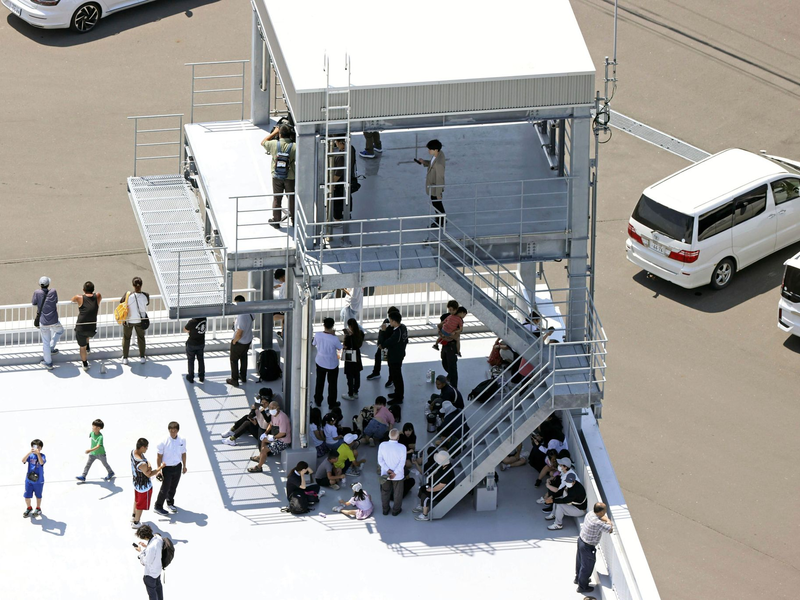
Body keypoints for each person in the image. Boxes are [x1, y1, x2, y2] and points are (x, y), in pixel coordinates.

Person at [262, 124, 297, 227]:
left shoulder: (273, 144)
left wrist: (274, 132)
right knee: (291, 198)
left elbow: (263, 142)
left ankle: (276, 221)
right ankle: (294, 220)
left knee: (277, 198)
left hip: (277, 176)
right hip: (290, 176)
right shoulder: (294, 146)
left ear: (280, 134)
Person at [576, 502, 614, 594]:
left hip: (581, 541)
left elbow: (602, 517)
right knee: (587, 566)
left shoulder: (590, 514)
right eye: (604, 510)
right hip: (588, 547)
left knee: (580, 562)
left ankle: (578, 579)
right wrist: (609, 521)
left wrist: (605, 519)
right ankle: (582, 587)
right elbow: (610, 529)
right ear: (601, 512)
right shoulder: (597, 523)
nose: (605, 512)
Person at [154, 422, 187, 516]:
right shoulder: (163, 441)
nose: (173, 433)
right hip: (166, 468)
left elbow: (183, 453)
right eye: (171, 431)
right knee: (165, 488)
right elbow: (159, 457)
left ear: (177, 431)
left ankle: (170, 502)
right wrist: (159, 470)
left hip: (177, 466)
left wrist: (184, 466)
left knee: (173, 487)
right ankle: (158, 506)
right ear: (169, 430)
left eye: (175, 431)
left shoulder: (182, 440)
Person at [248, 401, 291, 472]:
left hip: (283, 441)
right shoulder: (273, 415)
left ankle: (259, 467)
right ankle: (260, 456)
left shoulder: (282, 417)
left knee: (264, 449)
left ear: (278, 408)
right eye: (270, 408)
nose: (271, 409)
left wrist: (273, 438)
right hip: (276, 437)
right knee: (264, 440)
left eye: (273, 408)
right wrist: (265, 433)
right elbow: (270, 424)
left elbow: (283, 433)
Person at [413, 450, 455, 521]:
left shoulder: (448, 471)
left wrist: (431, 489)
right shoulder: (443, 465)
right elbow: (437, 471)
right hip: (436, 484)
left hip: (443, 490)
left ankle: (424, 515)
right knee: (422, 488)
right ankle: (422, 505)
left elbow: (442, 486)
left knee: (426, 496)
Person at [32, 276, 63, 370]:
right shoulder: (53, 291)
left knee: (45, 342)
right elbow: (56, 301)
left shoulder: (37, 292)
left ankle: (48, 362)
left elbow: (34, 303)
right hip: (54, 320)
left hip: (44, 321)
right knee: (60, 331)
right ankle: (51, 347)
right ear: (48, 284)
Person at [131, 438, 162, 529]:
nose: (147, 449)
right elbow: (149, 474)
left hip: (136, 484)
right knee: (140, 505)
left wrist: (148, 465)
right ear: (142, 447)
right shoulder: (142, 463)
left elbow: (147, 463)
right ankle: (136, 523)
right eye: (146, 447)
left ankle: (134, 516)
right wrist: (160, 468)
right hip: (144, 487)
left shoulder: (133, 452)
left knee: (136, 500)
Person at [313, 317, 343, 409]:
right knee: (332, 384)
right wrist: (333, 335)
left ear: (324, 325)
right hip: (332, 364)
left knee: (319, 382)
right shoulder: (334, 339)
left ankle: (318, 400)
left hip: (320, 361)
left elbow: (313, 343)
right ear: (333, 326)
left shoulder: (318, 335)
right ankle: (332, 403)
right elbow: (340, 348)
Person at [414, 139, 446, 227]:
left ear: (436, 150)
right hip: (434, 186)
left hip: (435, 187)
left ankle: (441, 221)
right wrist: (424, 162)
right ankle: (441, 219)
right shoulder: (438, 155)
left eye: (430, 149)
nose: (429, 151)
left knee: (437, 204)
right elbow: (432, 165)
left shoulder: (439, 164)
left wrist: (439, 192)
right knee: (436, 203)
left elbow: (439, 177)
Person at [72, 281, 101, 371]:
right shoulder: (98, 296)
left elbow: (72, 300)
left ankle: (85, 363)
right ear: (93, 290)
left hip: (81, 326)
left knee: (82, 347)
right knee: (87, 335)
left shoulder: (79, 297)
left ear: (83, 290)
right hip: (92, 327)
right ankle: (88, 346)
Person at [121, 276, 150, 365]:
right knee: (141, 338)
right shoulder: (146, 295)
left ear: (133, 285)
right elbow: (147, 303)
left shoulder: (128, 295)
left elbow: (121, 302)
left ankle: (125, 358)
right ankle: (142, 357)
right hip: (140, 321)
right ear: (141, 285)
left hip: (129, 320)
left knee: (126, 338)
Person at [226, 295, 254, 387]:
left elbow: (239, 332)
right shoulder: (249, 310)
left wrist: (234, 341)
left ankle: (234, 380)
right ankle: (243, 376)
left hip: (240, 342)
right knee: (243, 357)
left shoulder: (242, 315)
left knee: (233, 360)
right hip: (248, 339)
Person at [378, 428, 407, 516]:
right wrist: (394, 473)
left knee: (385, 492)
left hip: (385, 474)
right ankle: (396, 510)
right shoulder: (402, 447)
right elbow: (402, 463)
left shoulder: (382, 445)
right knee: (398, 493)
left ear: (389, 436)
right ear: (398, 437)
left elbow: (380, 460)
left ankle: (385, 509)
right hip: (398, 476)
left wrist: (388, 470)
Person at [366, 306, 398, 386]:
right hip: (383, 345)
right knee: (378, 356)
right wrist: (380, 344)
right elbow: (381, 333)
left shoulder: (397, 326)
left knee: (390, 363)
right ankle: (376, 372)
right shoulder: (386, 322)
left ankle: (392, 379)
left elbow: (392, 337)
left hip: (390, 346)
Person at [382, 311, 408, 406]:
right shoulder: (403, 327)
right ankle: (397, 393)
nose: (390, 322)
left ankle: (399, 397)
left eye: (390, 320)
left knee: (397, 377)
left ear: (393, 321)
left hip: (395, 357)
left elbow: (387, 342)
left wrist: (383, 331)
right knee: (396, 376)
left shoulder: (397, 333)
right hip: (399, 355)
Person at [135, 524, 164, 600]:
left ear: (144, 537)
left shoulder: (150, 548)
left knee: (152, 595)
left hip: (150, 574)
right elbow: (155, 550)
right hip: (158, 570)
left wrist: (140, 551)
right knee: (159, 590)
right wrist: (146, 546)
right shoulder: (158, 538)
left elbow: (146, 561)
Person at [438, 301, 460, 389]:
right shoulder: (447, 320)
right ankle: (450, 376)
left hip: (451, 345)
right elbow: (440, 329)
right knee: (444, 361)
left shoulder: (456, 322)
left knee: (452, 366)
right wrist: (441, 333)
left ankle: (454, 385)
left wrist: (448, 335)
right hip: (445, 345)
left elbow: (456, 336)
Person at [341, 318, 364, 401]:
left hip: (349, 356)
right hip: (357, 355)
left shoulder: (348, 336)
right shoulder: (360, 333)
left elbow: (345, 346)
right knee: (357, 374)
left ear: (350, 326)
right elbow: (359, 344)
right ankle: (356, 392)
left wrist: (347, 336)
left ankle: (350, 394)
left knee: (349, 376)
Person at [22, 439, 46, 518]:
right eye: (34, 446)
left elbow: (42, 462)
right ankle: (29, 508)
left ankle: (38, 508)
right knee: (27, 496)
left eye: (38, 447)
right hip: (29, 480)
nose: (36, 448)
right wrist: (30, 452)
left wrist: (38, 454)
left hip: (39, 481)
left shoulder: (42, 456)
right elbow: (23, 460)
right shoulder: (30, 455)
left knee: (38, 495)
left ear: (41, 448)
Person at [184, 315, 206, 384]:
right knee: (201, 359)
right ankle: (201, 376)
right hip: (201, 343)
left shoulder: (191, 322)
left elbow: (185, 329)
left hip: (192, 344)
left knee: (191, 360)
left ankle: (191, 377)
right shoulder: (204, 318)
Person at [273, 268, 286, 340]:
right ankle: (282, 333)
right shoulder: (285, 283)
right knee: (283, 320)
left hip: (283, 305)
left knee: (272, 316)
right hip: (282, 305)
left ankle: (286, 317)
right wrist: (277, 286)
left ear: (282, 277)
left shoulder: (285, 284)